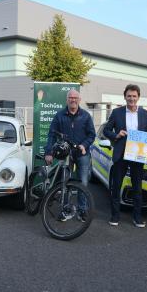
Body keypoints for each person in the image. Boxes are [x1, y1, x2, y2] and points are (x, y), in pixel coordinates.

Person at [103, 84, 147, 228]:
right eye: (129, 96)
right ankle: (115, 215)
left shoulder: (145, 114)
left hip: (138, 154)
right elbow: (106, 130)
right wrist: (116, 135)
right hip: (121, 153)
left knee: (137, 187)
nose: (131, 98)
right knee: (116, 186)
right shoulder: (117, 112)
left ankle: (137, 217)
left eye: (134, 96)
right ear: (125, 96)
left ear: (138, 97)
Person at [44, 89, 96, 221]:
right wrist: (49, 152)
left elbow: (91, 135)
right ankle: (66, 209)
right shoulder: (59, 115)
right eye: (70, 97)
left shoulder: (85, 116)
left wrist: (84, 145)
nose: (73, 100)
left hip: (82, 153)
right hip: (65, 154)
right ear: (67, 100)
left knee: (83, 182)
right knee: (64, 182)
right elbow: (51, 135)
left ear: (79, 100)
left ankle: (82, 210)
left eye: (75, 98)